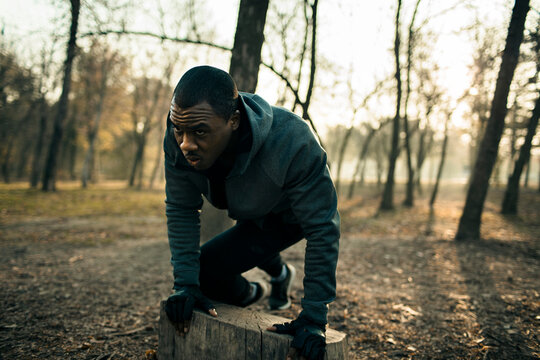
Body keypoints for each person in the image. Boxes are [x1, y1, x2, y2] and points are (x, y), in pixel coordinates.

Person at [163, 65, 340, 360]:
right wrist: (184, 285)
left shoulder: (293, 140)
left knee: (258, 238)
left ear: (234, 120)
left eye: (199, 132)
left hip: (287, 217)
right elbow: (181, 207)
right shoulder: (178, 136)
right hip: (246, 207)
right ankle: (261, 288)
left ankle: (280, 273)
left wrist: (313, 318)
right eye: (178, 130)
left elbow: (323, 229)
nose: (185, 144)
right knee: (201, 276)